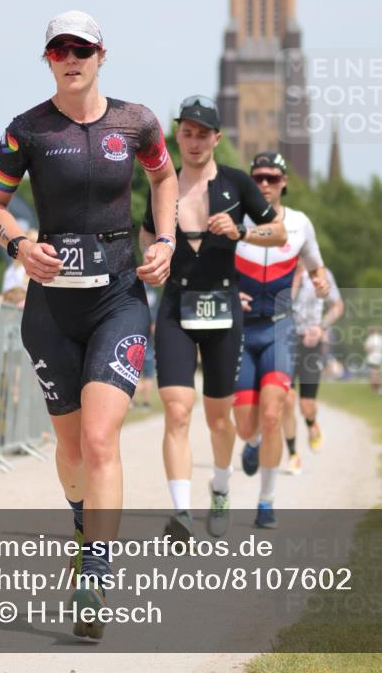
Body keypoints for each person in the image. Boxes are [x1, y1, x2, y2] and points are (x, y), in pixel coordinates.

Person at [0, 10, 177, 638]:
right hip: (50, 308)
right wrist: (18, 246)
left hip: (119, 298)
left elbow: (164, 176)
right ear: (47, 59)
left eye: (82, 48)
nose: (72, 58)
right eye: (60, 49)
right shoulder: (26, 131)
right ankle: (80, 519)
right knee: (69, 451)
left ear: (101, 54)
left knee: (99, 440)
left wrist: (166, 239)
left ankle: (95, 571)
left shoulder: (137, 121)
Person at [139, 97, 286, 541]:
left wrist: (241, 231)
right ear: (177, 136)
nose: (195, 140)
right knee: (177, 411)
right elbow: (148, 231)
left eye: (204, 133)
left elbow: (276, 230)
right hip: (175, 307)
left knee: (219, 419)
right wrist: (151, 254)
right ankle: (181, 512)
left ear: (217, 138)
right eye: (187, 132)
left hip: (223, 307)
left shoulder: (238, 183)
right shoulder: (162, 183)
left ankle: (220, 488)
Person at [234, 152, 329, 529]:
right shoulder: (235, 221)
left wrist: (320, 281)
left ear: (284, 181)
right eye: (258, 177)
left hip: (278, 327)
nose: (265, 184)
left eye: (272, 178)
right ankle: (252, 442)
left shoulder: (300, 224)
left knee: (273, 414)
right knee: (246, 425)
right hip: (239, 330)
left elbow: (316, 266)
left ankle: (266, 501)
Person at [283, 263, 344, 475]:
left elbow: (337, 306)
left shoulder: (322, 273)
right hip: (286, 340)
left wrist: (320, 327)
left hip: (312, 342)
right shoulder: (283, 270)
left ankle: (312, 424)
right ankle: (293, 454)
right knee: (287, 399)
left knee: (307, 404)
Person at [364, 326, 382, 393]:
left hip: (372, 358)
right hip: (380, 357)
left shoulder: (371, 338)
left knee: (373, 373)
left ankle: (375, 389)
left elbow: (367, 348)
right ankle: (380, 388)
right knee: (379, 373)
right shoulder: (381, 338)